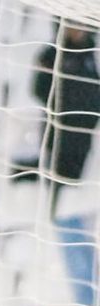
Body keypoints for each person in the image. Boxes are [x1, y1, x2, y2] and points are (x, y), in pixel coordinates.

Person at [34, 21, 100, 214]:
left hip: (84, 132)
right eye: (73, 26)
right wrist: (64, 106)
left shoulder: (91, 53)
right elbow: (39, 89)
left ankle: (65, 218)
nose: (78, 30)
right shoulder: (51, 54)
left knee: (74, 183)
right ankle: (50, 217)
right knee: (55, 179)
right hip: (59, 130)